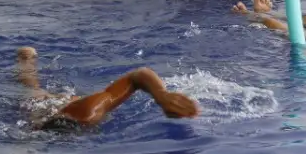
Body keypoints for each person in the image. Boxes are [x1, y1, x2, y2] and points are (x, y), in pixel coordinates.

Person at [15, 47, 199, 130]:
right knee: (34, 92)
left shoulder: (87, 112)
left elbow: (139, 75)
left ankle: (25, 59)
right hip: (45, 116)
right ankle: (26, 60)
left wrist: (162, 95)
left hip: (51, 107)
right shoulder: (84, 117)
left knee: (35, 92)